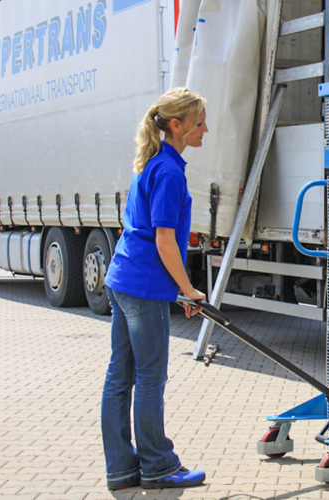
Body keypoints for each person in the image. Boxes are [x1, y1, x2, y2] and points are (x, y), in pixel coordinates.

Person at [101, 87, 209, 490]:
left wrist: (178, 290)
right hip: (143, 286)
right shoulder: (166, 171)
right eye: (200, 122)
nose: (206, 129)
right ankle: (158, 465)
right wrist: (189, 289)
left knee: (120, 377)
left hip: (123, 280)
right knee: (149, 377)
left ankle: (121, 470)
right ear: (177, 125)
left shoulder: (151, 163)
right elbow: (164, 241)